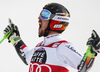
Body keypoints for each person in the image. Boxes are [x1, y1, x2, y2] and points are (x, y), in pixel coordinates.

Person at [3, 3, 100, 72]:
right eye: (41, 14)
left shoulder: (62, 47)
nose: (39, 18)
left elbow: (83, 68)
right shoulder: (40, 46)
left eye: (45, 15)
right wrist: (14, 38)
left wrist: (91, 52)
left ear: (56, 21)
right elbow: (27, 57)